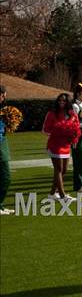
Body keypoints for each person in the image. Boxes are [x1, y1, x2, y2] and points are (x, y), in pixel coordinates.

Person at [42, 93, 80, 202]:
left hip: (66, 145)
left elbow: (76, 127)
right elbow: (45, 129)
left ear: (68, 102)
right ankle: (63, 195)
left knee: (64, 170)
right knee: (58, 169)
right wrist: (58, 131)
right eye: (60, 101)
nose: (61, 102)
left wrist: (74, 138)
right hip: (55, 144)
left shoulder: (72, 114)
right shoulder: (51, 113)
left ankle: (52, 193)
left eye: (64, 101)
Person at [0, 85, 14, 215]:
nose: (4, 97)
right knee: (6, 177)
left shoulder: (5, 110)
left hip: (2, 143)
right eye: (2, 94)